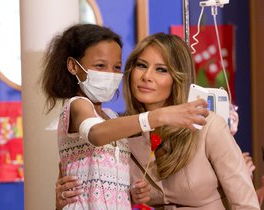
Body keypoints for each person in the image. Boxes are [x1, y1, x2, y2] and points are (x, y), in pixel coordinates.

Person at [55, 32, 260, 209]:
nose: (146, 76)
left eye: (161, 69)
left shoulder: (208, 126)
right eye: (141, 66)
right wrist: (63, 200)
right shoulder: (119, 129)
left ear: (177, 78)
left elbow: (245, 204)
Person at [42, 24, 209, 210]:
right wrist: (157, 116)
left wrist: (133, 194)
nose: (110, 74)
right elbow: (95, 133)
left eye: (116, 67)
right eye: (100, 66)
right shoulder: (77, 105)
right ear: (73, 66)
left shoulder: (113, 118)